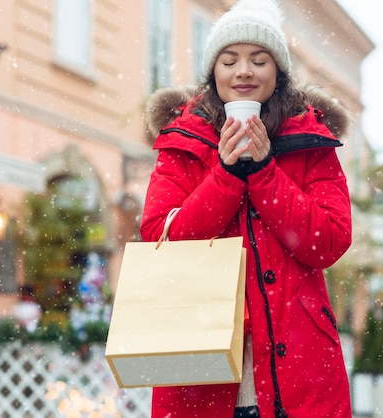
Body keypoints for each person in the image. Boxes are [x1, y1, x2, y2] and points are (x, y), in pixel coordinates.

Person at [140, 0, 352, 416]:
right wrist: (227, 174)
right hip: (199, 365)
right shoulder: (181, 144)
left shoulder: (311, 142)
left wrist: (264, 171)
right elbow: (163, 241)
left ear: (278, 74)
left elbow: (327, 241)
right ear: (213, 73)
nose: (244, 71)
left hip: (301, 370)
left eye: (259, 60)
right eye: (229, 59)